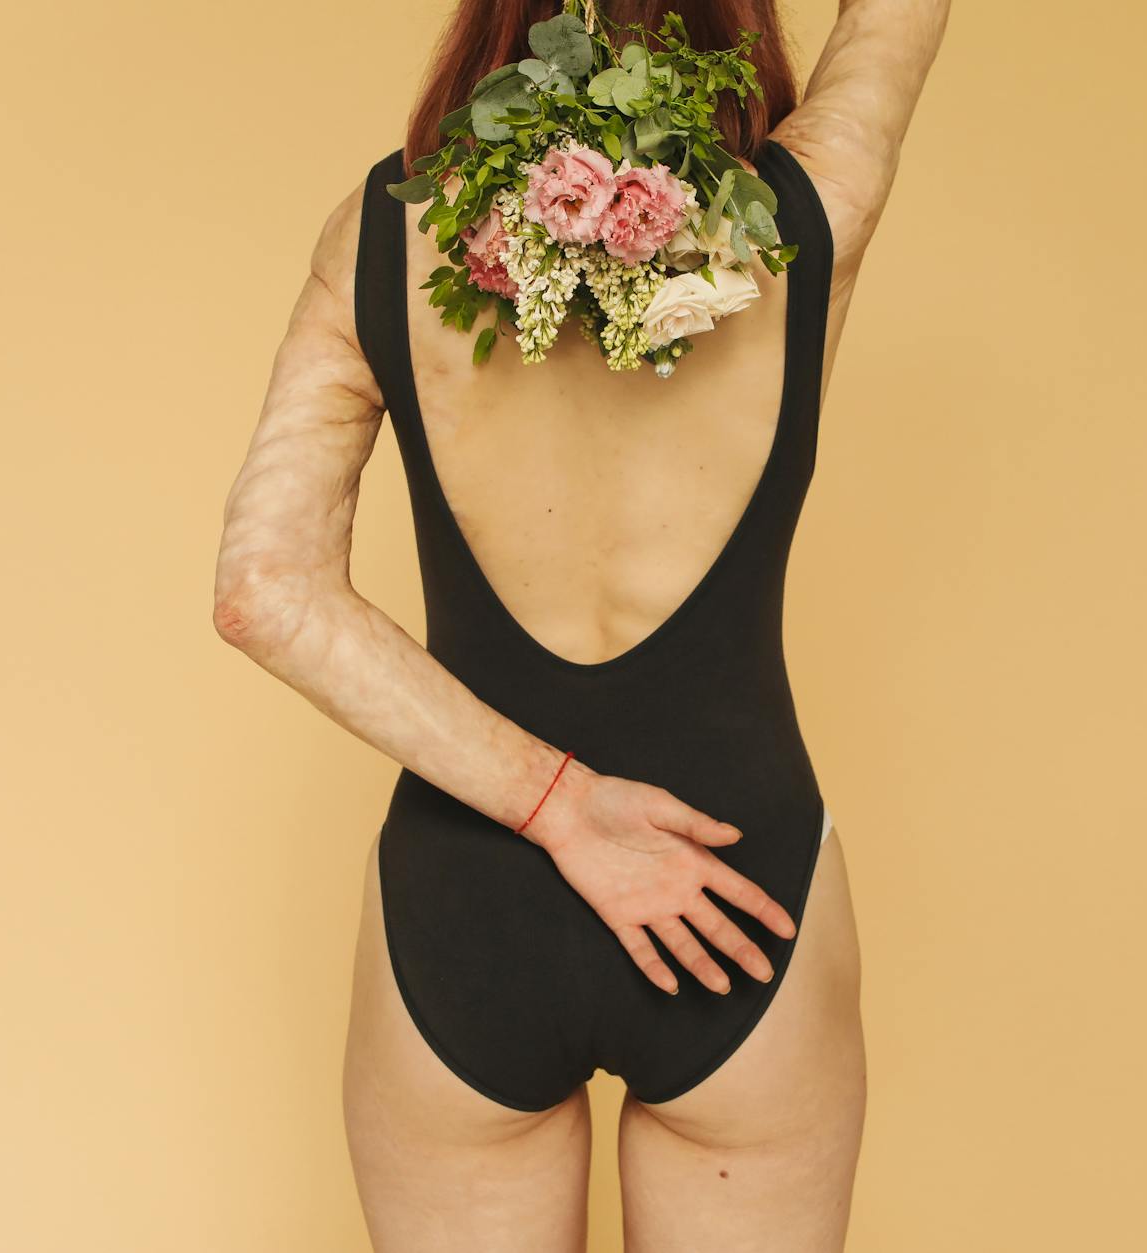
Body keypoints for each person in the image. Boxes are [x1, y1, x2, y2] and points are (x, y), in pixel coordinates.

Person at [212, 1, 949, 1247]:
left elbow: (263, 587)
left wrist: (557, 802)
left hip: (463, 915)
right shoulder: (808, 209)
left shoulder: (383, 233)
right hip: (738, 903)